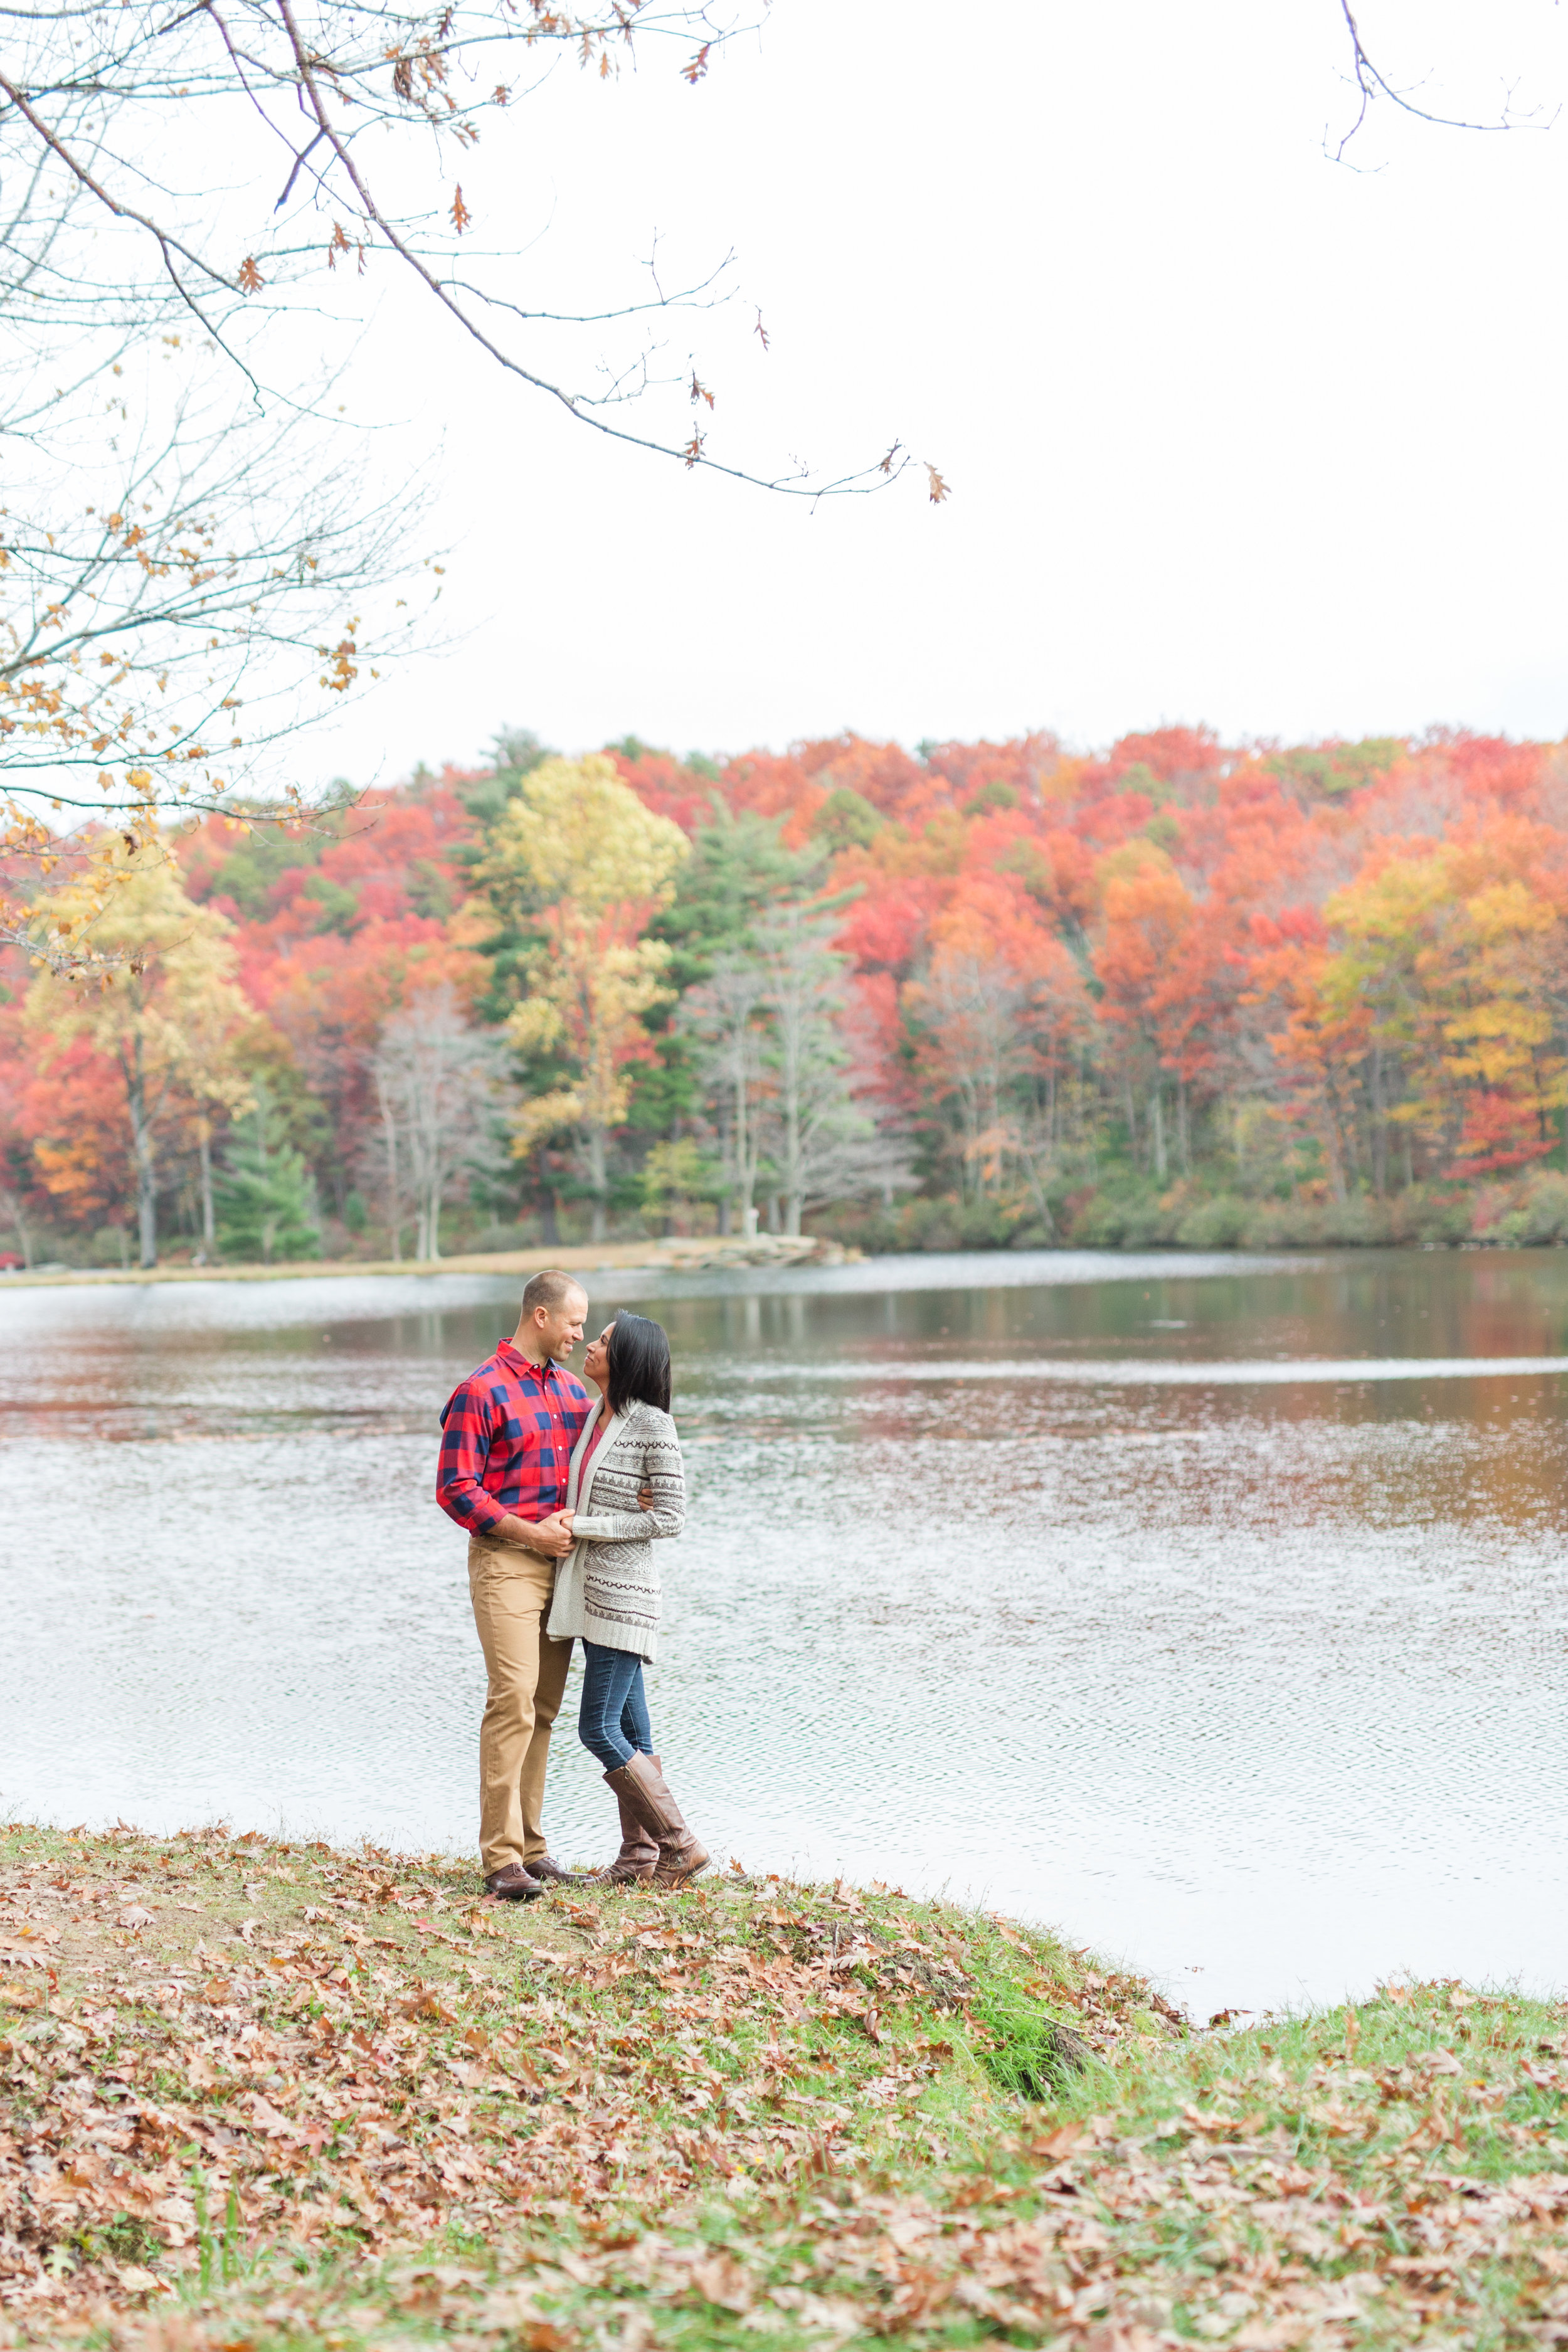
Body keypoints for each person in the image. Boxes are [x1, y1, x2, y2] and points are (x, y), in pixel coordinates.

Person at [437, 1268, 593, 1902]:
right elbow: (455, 1488)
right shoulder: (480, 1391)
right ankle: (500, 1860)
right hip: (507, 1560)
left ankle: (532, 1848)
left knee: (546, 1710)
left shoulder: (574, 1392)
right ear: (540, 1317)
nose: (580, 1335)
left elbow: (593, 1473)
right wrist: (530, 1535)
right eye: (574, 1322)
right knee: (514, 1698)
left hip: (565, 1565)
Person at [548, 1311, 707, 1888]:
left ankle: (679, 1844)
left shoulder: (653, 1426)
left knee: (597, 1728)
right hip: (589, 1592)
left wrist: (589, 1526)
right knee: (634, 1735)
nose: (591, 1344)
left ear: (629, 1358)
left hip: (623, 1597)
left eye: (605, 1341)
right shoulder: (594, 1416)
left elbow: (669, 1517)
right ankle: (641, 1858)